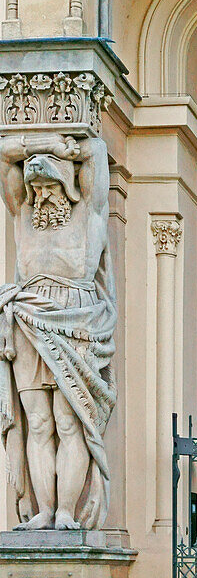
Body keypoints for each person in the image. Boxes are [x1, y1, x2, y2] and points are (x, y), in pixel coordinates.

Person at [0, 134, 116, 530]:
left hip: (74, 321)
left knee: (70, 422)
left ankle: (66, 511)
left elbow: (96, 152)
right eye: (37, 188)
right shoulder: (22, 218)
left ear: (69, 187)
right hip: (27, 322)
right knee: (38, 423)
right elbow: (3, 155)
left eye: (51, 186)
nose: (43, 195)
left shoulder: (90, 216)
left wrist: (64, 150)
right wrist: (43, 145)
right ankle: (44, 511)